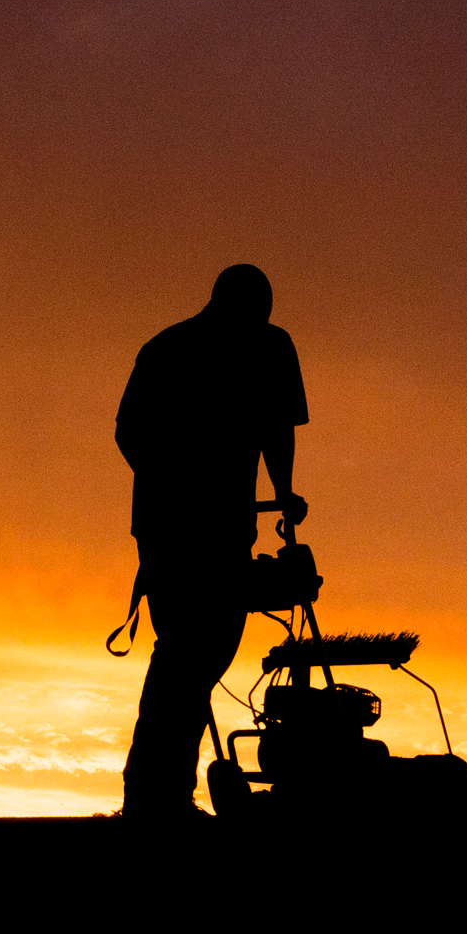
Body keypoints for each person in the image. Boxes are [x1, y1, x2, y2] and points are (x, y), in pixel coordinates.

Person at [114, 264, 308, 818]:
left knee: (195, 650)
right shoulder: (180, 350)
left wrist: (284, 492)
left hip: (212, 525)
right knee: (189, 652)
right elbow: (132, 432)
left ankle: (160, 789)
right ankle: (156, 794)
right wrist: (175, 485)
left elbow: (277, 428)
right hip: (180, 528)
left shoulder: (195, 347)